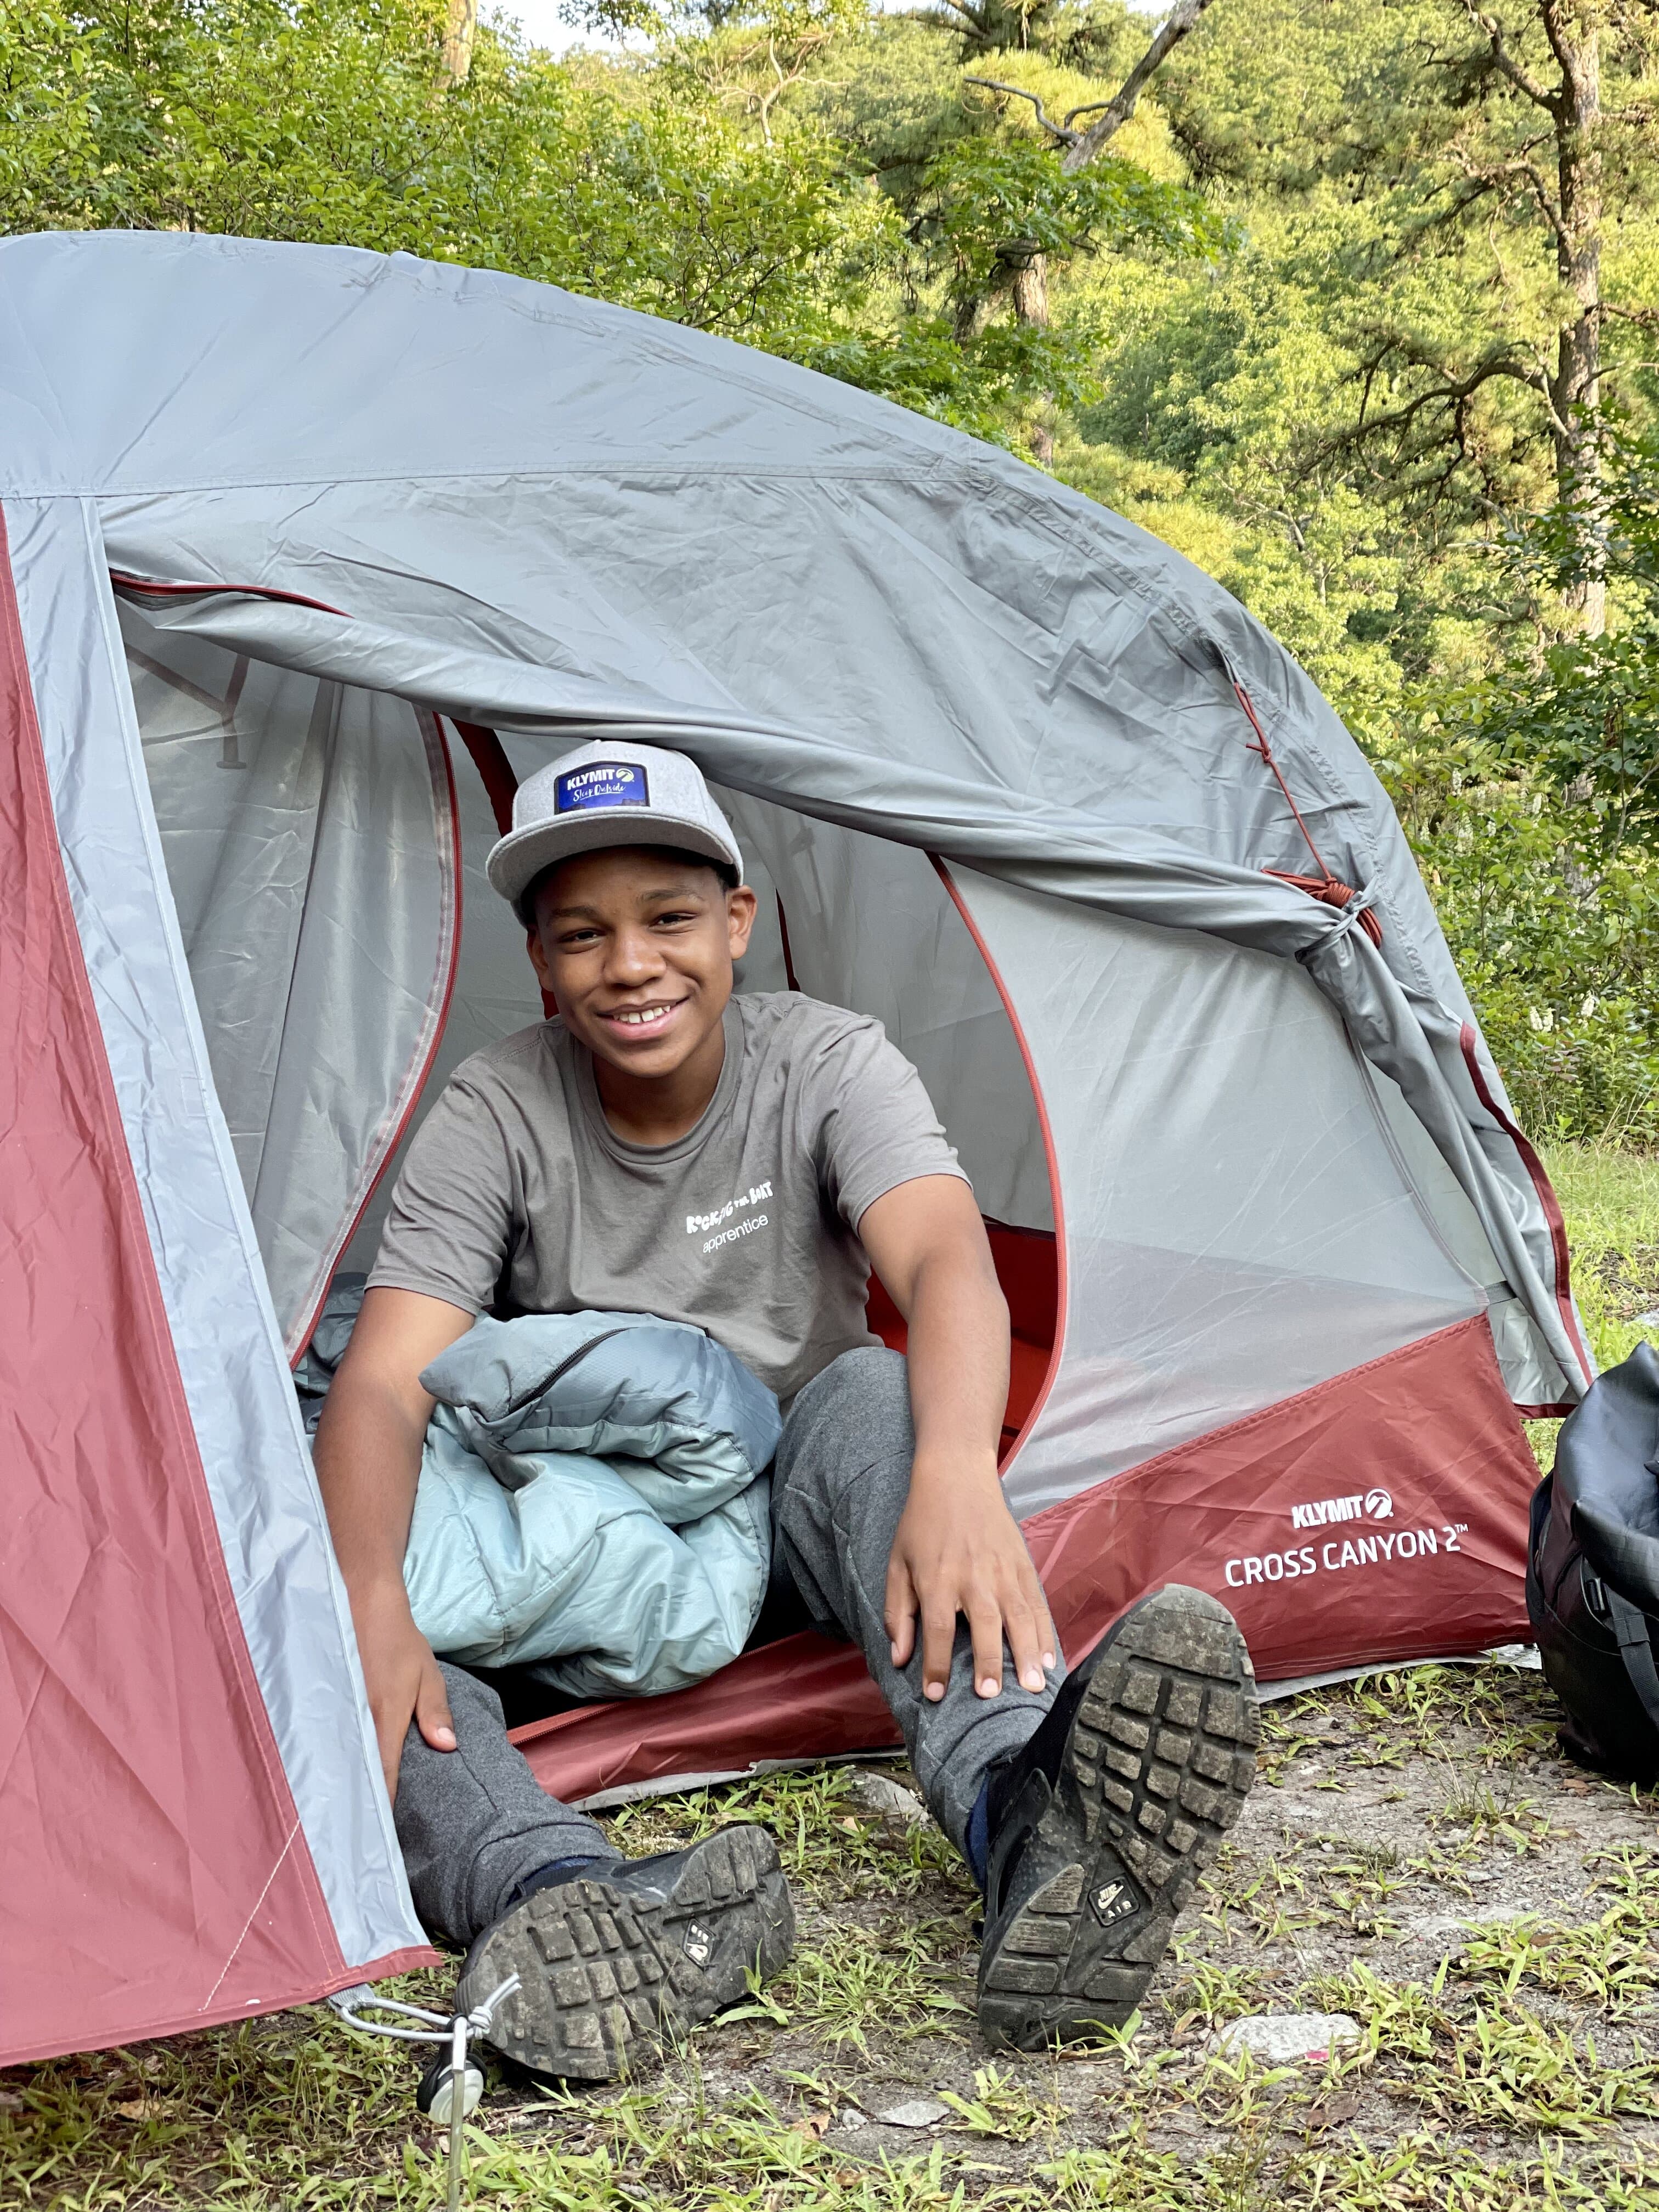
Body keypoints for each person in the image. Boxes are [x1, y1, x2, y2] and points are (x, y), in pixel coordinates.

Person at [314, 739, 1259, 2077]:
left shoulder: (824, 1060)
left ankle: (1027, 1817)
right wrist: (366, 1600)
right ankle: (564, 1904)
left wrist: (957, 1473)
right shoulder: (499, 1108)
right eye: (582, 935)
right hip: (586, 1545)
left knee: (870, 1391)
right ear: (539, 960)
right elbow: (384, 1379)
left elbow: (946, 1262)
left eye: (669, 918)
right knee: (381, 1641)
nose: (630, 964)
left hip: (790, 1520)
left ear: (738, 923)